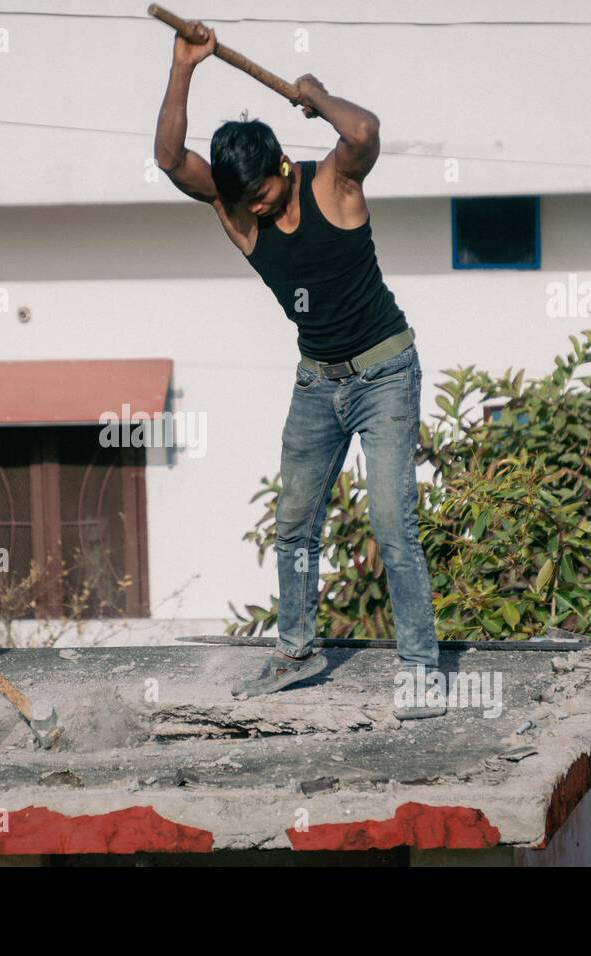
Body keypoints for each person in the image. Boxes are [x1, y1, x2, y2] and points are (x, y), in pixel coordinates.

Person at [153, 22, 445, 717]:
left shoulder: (333, 183)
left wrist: (317, 94)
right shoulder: (237, 210)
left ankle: (421, 668)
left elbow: (366, 131)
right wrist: (183, 66)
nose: (254, 208)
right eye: (241, 199)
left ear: (284, 165)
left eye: (261, 192)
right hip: (317, 381)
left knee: (390, 522)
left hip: (384, 374)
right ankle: (297, 649)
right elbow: (169, 159)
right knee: (294, 523)